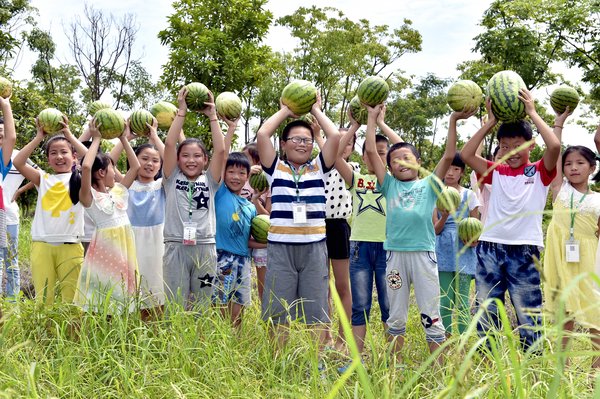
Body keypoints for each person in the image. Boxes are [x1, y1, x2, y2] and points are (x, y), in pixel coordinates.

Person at [366, 101, 469, 365]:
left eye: (407, 158)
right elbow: (370, 150)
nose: (401, 163)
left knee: (430, 312)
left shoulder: (430, 184)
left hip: (424, 257)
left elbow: (448, 156)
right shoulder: (388, 185)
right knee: (396, 313)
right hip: (395, 260)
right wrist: (371, 118)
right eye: (395, 161)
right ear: (388, 168)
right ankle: (394, 365)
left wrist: (453, 121)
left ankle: (438, 367)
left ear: (419, 163)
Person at [460, 91, 561, 351]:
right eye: (505, 146)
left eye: (517, 146)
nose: (511, 152)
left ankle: (532, 364)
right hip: (490, 246)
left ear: (530, 146)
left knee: (528, 313)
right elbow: (467, 154)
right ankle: (486, 360)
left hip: (525, 250)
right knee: (486, 310)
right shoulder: (497, 171)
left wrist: (533, 113)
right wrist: (490, 123)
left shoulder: (539, 171)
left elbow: (555, 147)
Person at [257, 94, 340, 349]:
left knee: (316, 307)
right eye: (295, 139)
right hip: (281, 248)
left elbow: (335, 137)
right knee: (278, 309)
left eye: (306, 140)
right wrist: (285, 110)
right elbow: (262, 135)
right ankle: (278, 361)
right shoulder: (275, 168)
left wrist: (315, 110)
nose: (301, 144)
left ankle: (316, 363)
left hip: (314, 247)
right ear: (283, 144)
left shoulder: (319, 167)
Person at [335, 106, 401, 371]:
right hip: (359, 248)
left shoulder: (394, 180)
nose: (376, 157)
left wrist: (381, 124)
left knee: (390, 305)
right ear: (362, 157)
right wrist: (354, 127)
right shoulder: (357, 179)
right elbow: (336, 155)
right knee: (360, 305)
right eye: (372, 153)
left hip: (389, 248)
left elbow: (403, 148)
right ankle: (356, 360)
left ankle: (393, 361)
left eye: (383, 154)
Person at [544, 110, 600, 368]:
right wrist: (559, 122)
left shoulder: (598, 198)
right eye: (568, 164)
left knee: (595, 318)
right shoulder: (560, 189)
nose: (573, 168)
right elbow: (553, 150)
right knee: (564, 314)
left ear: (592, 167)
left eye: (580, 163)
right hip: (561, 258)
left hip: (589, 261)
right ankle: (561, 369)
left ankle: (595, 373)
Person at [162, 87, 225, 310]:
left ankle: (200, 342)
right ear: (177, 160)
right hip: (175, 246)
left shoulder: (211, 180)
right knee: (174, 305)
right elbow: (169, 144)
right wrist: (182, 111)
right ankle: (176, 344)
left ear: (205, 160)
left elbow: (221, 152)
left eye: (197, 156)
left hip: (205, 247)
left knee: (202, 305)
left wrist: (213, 116)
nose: (191, 160)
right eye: (185, 156)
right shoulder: (171, 178)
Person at [14, 117, 87, 305]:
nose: (59, 156)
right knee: (43, 300)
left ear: (74, 157)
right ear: (48, 159)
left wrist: (68, 134)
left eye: (64, 152)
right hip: (42, 245)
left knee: (72, 301)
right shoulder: (43, 179)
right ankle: (45, 335)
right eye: (53, 153)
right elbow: (19, 161)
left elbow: (91, 161)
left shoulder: (80, 179)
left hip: (70, 245)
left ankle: (71, 335)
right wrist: (39, 137)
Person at [73, 121, 140, 314]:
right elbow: (86, 167)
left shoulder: (117, 192)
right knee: (103, 292)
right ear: (102, 172)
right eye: (113, 168)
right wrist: (97, 139)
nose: (115, 172)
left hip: (124, 250)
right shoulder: (89, 197)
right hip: (105, 250)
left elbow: (135, 167)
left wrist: (123, 138)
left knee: (121, 293)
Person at [109, 118, 167, 320]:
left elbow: (171, 161)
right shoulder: (126, 184)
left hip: (156, 245)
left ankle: (155, 335)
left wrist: (154, 136)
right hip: (130, 244)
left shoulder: (162, 186)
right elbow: (109, 162)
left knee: (156, 291)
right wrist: (126, 138)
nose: (150, 164)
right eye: (144, 158)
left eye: (155, 160)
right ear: (134, 159)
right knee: (130, 292)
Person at [213, 151, 264, 327]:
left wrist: (271, 241)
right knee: (219, 305)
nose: (236, 177)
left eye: (242, 173)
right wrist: (231, 129)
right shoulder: (219, 193)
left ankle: (235, 344)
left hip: (243, 260)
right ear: (224, 173)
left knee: (238, 307)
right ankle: (218, 344)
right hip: (221, 258)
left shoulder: (250, 207)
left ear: (248, 176)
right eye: (231, 172)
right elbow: (220, 156)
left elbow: (246, 240)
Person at [433, 153, 480, 336]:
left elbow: (475, 225)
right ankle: (445, 336)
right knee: (445, 299)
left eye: (456, 169)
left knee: (461, 299)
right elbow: (435, 230)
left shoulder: (470, 195)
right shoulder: (436, 195)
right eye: (448, 168)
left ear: (462, 172)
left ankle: (462, 338)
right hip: (443, 248)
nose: (451, 173)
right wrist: (444, 215)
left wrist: (472, 238)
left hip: (464, 249)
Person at [240, 142, 270, 303]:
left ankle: (265, 315)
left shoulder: (266, 184)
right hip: (239, 234)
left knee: (263, 285)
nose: (243, 163)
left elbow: (268, 217)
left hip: (259, 236)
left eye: (247, 159)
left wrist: (256, 200)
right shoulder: (236, 180)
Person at [0, 108, 20, 300]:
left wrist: (5, 105)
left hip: (4, 216)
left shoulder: (2, 160)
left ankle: (10, 304)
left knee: (7, 262)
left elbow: (11, 138)